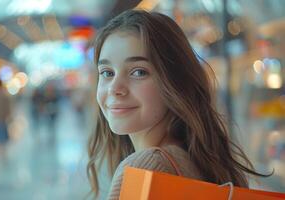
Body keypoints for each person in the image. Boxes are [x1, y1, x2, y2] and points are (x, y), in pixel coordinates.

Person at [86, 10, 270, 199]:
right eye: (107, 72)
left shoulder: (146, 167)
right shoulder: (192, 159)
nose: (115, 88)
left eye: (138, 72)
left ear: (174, 82)